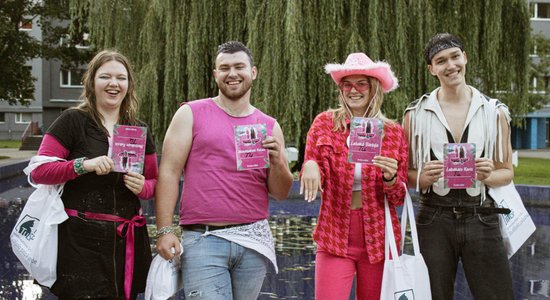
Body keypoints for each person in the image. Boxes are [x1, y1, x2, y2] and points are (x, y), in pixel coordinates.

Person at [154, 41, 293, 299]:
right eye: (224, 67)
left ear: (253, 72)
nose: (232, 73)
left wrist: (278, 163)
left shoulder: (269, 126)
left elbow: (281, 192)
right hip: (204, 238)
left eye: (239, 66)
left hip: (253, 240)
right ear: (215, 74)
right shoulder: (190, 113)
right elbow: (169, 173)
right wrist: (164, 230)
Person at [30, 50, 158, 300]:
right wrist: (82, 166)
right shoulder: (73, 121)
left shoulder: (138, 129)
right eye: (105, 77)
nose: (113, 83)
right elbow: (39, 171)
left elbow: (155, 183)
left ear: (129, 84)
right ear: (92, 82)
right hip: (80, 242)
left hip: (125, 241)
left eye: (121, 78)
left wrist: (142, 187)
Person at [403, 33, 514, 300]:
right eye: (441, 61)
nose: (450, 65)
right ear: (432, 69)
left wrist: (488, 175)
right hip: (433, 218)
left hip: (481, 216)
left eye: (455, 56)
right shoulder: (415, 115)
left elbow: (507, 172)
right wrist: (423, 179)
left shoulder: (494, 112)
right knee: (433, 296)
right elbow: (403, 175)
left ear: (465, 57)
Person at [300, 52, 409, 300]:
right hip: (334, 232)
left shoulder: (393, 133)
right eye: (347, 84)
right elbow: (315, 170)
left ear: (374, 89)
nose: (353, 90)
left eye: (361, 84)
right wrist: (310, 166)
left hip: (379, 237)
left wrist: (391, 178)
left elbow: (399, 198)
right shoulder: (324, 124)